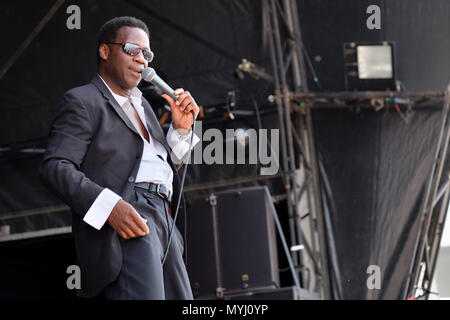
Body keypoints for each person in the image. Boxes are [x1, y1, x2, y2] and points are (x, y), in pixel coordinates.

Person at [39, 16, 199, 300]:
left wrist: (182, 130)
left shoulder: (146, 108)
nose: (141, 60)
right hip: (130, 212)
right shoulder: (83, 100)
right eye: (131, 49)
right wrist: (110, 207)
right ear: (104, 51)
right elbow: (55, 167)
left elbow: (165, 167)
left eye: (147, 54)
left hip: (165, 218)